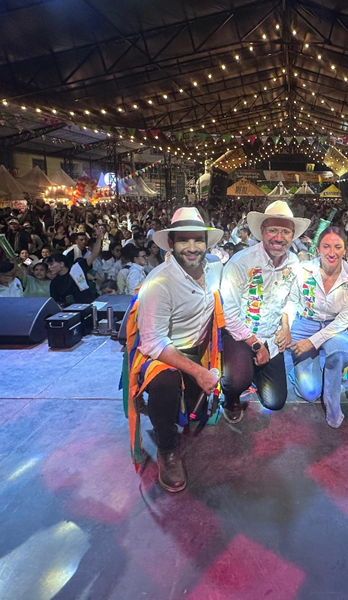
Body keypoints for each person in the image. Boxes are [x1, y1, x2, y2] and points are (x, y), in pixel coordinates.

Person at [129, 207, 224, 492]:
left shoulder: (215, 267)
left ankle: (176, 402)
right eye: (184, 240)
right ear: (171, 244)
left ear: (207, 244)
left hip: (199, 350)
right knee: (167, 384)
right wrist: (199, 373)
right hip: (163, 356)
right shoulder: (158, 283)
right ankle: (167, 450)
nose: (192, 248)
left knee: (196, 417)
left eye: (198, 240)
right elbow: (154, 343)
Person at [219, 201, 311, 423]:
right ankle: (232, 394)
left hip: (271, 337)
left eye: (285, 232)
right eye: (272, 230)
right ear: (262, 232)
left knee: (274, 402)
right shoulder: (240, 263)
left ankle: (253, 371)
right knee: (236, 379)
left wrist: (286, 327)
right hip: (239, 336)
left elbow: (292, 299)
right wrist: (256, 345)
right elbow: (229, 315)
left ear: (292, 235)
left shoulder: (293, 262)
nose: (279, 238)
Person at [277, 226, 348, 429]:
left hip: (334, 327)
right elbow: (293, 302)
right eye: (326, 246)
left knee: (339, 352)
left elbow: (344, 320)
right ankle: (302, 370)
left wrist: (312, 343)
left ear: (345, 251)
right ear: (318, 249)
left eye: (337, 247)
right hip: (304, 323)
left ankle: (333, 407)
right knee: (310, 393)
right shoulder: (303, 270)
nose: (332, 253)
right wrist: (286, 326)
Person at [46, 226, 104, 305]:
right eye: (48, 265)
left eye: (52, 264)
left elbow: (94, 254)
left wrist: (99, 237)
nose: (49, 267)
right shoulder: (54, 283)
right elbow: (57, 303)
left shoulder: (78, 268)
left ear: (61, 264)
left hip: (90, 305)